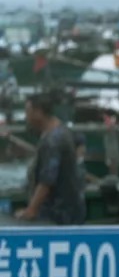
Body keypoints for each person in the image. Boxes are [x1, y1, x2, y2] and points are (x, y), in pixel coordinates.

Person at [18, 91, 86, 224]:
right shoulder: (61, 130)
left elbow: (47, 180)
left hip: (59, 215)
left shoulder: (53, 140)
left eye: (28, 112)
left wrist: (31, 209)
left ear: (38, 112)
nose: (26, 117)